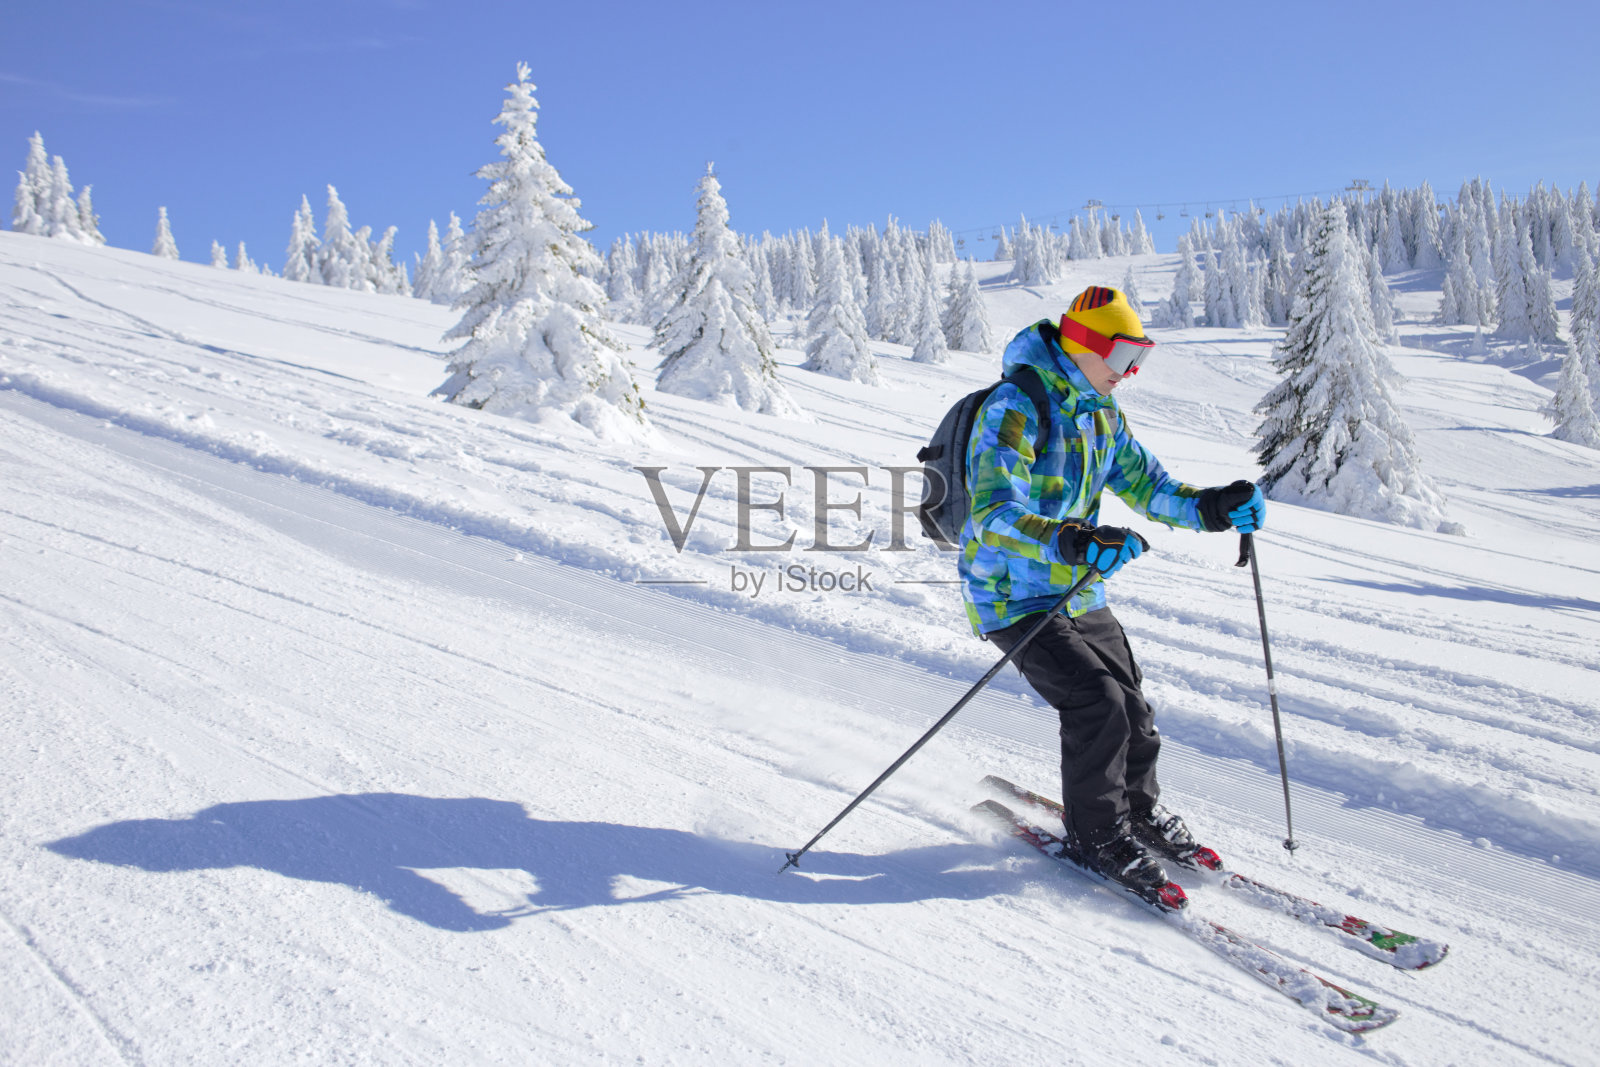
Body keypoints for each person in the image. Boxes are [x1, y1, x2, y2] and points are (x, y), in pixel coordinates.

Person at [961, 285, 1264, 899]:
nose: (1130, 374)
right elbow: (991, 511)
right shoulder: (1016, 406)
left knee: (1133, 708)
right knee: (1097, 704)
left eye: (1141, 359)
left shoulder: (1102, 413)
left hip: (1077, 591)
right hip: (1012, 595)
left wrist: (1212, 507)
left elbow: (1151, 489)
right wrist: (1069, 539)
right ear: (1086, 346)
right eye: (1126, 358)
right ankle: (1097, 837)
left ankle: (1136, 812)